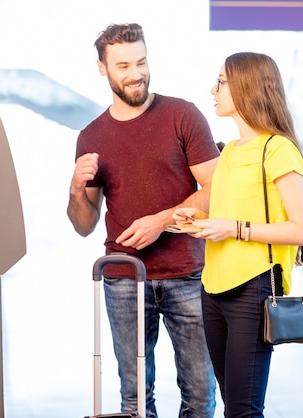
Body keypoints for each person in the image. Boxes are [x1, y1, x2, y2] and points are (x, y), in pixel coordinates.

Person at [66, 23, 218, 417]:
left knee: (200, 395)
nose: (135, 73)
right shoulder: (91, 136)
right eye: (123, 66)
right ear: (103, 68)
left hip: (188, 274)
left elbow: (217, 191)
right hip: (124, 279)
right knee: (134, 398)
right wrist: (76, 190)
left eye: (141, 61)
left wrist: (161, 221)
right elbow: (83, 224)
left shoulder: (183, 116)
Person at [173, 52, 303, 417]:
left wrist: (232, 228)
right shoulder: (231, 153)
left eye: (220, 82)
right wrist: (201, 219)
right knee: (233, 405)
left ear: (246, 86)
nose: (213, 90)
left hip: (252, 289)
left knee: (242, 409)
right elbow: (233, 215)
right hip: (213, 288)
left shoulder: (278, 149)